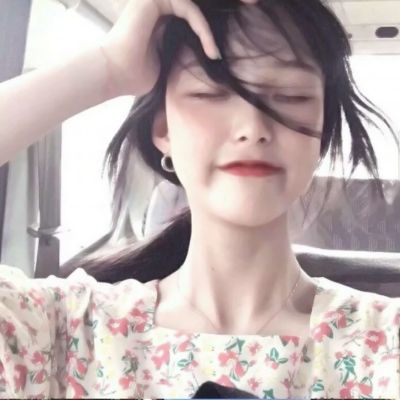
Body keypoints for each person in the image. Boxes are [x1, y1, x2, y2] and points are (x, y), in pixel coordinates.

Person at [0, 0, 399, 398]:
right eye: (211, 93)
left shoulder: (384, 344)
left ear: (321, 136)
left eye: (290, 96)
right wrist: (109, 67)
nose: (252, 128)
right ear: (163, 129)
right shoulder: (68, 331)